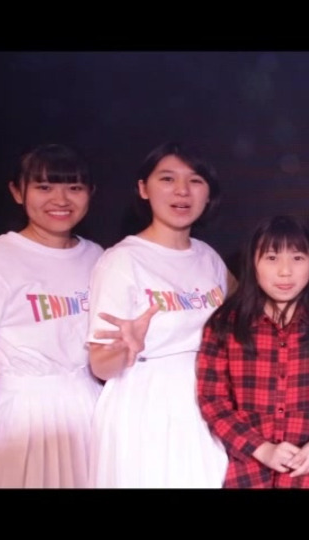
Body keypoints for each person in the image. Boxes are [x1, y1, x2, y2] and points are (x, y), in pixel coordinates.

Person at [86, 141, 230, 488]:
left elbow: (246, 311)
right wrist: (126, 347)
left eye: (195, 180)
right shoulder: (122, 260)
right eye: (167, 179)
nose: (182, 191)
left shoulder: (208, 256)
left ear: (208, 193)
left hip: (208, 398)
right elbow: (100, 366)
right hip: (146, 405)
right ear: (143, 188)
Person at [0, 143, 104, 488]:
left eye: (74, 187)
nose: (60, 199)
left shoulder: (99, 257)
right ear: (17, 192)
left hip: (89, 410)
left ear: (90, 193)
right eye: (44, 187)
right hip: (19, 418)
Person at [196, 215, 309, 488]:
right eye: (272, 258)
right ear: (253, 263)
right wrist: (261, 449)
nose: (285, 271)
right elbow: (213, 400)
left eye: (297, 258)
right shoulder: (225, 326)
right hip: (249, 473)